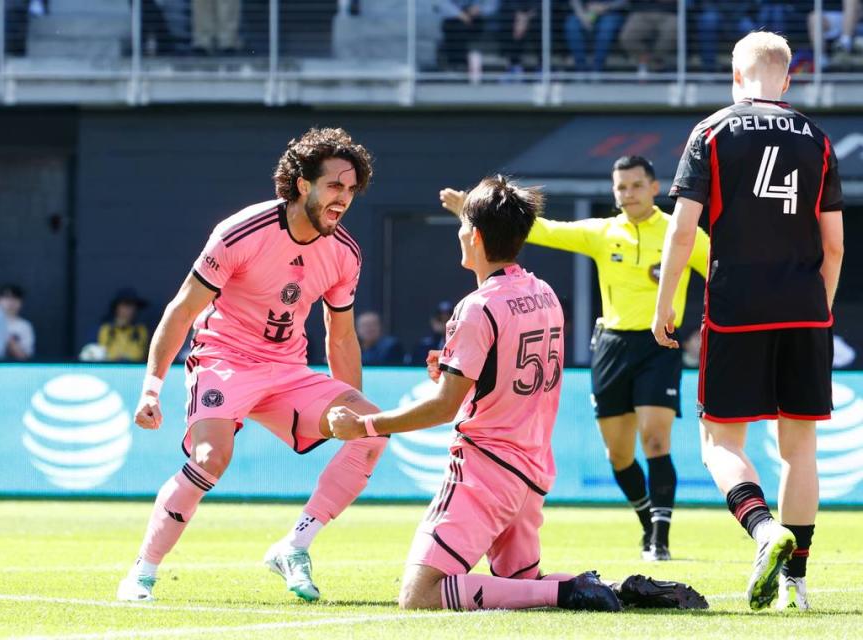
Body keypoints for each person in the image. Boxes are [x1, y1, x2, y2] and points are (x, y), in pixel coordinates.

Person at [328, 176, 707, 613]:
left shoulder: (478, 307)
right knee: (521, 584)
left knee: (421, 594)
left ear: (475, 235)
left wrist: (364, 425)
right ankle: (620, 589)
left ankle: (568, 592)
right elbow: (507, 367)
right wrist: (455, 364)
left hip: (486, 469)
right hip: (531, 471)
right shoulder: (543, 293)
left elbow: (444, 406)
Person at [116, 127, 389, 604]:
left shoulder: (345, 253)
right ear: (303, 184)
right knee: (210, 460)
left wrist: (350, 411)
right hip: (224, 360)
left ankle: (294, 546)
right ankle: (142, 572)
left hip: (286, 370)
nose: (343, 198)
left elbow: (341, 337)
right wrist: (151, 387)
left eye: (350, 190)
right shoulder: (241, 231)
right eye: (333, 186)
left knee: (373, 429)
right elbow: (181, 310)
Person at [654, 31, 844, 611]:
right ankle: (798, 585)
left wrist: (667, 303)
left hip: (737, 308)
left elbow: (683, 230)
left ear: (736, 76)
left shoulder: (710, 132)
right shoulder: (818, 139)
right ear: (787, 79)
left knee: (718, 440)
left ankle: (764, 531)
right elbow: (833, 245)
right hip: (805, 310)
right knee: (799, 446)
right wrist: (820, 309)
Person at [441, 156, 710, 562]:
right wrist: (474, 212)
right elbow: (543, 229)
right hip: (611, 347)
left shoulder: (681, 233)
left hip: (660, 345)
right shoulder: (603, 233)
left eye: (636, 186)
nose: (628, 194)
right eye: (621, 187)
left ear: (656, 188)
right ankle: (645, 521)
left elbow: (722, 274)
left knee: (656, 439)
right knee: (618, 454)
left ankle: (660, 536)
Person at [565, 0, 626, 73]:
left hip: (611, 13)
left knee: (606, 28)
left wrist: (606, 7)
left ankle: (597, 71)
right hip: (584, 12)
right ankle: (580, 71)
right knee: (571, 25)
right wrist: (582, 17)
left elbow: (624, 2)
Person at [618, 0, 677, 75]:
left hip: (669, 13)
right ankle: (655, 66)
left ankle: (647, 66)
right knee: (627, 37)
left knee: (672, 33)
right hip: (641, 12)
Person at [97, 288, 150, 363]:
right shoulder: (106, 329)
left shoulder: (140, 330)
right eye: (126, 305)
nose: (130, 310)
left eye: (133, 306)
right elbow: (102, 354)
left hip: (134, 370)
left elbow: (138, 354)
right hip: (109, 369)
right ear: (117, 307)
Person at [410, 300, 453, 366]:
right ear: (433, 321)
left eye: (449, 320)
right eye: (440, 319)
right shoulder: (423, 346)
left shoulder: (462, 346)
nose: (445, 324)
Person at [0, 284, 35, 361]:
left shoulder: (25, 326)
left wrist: (10, 343)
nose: (11, 302)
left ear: (21, 302)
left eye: (15, 298)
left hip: (18, 368)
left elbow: (26, 357)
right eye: (7, 297)